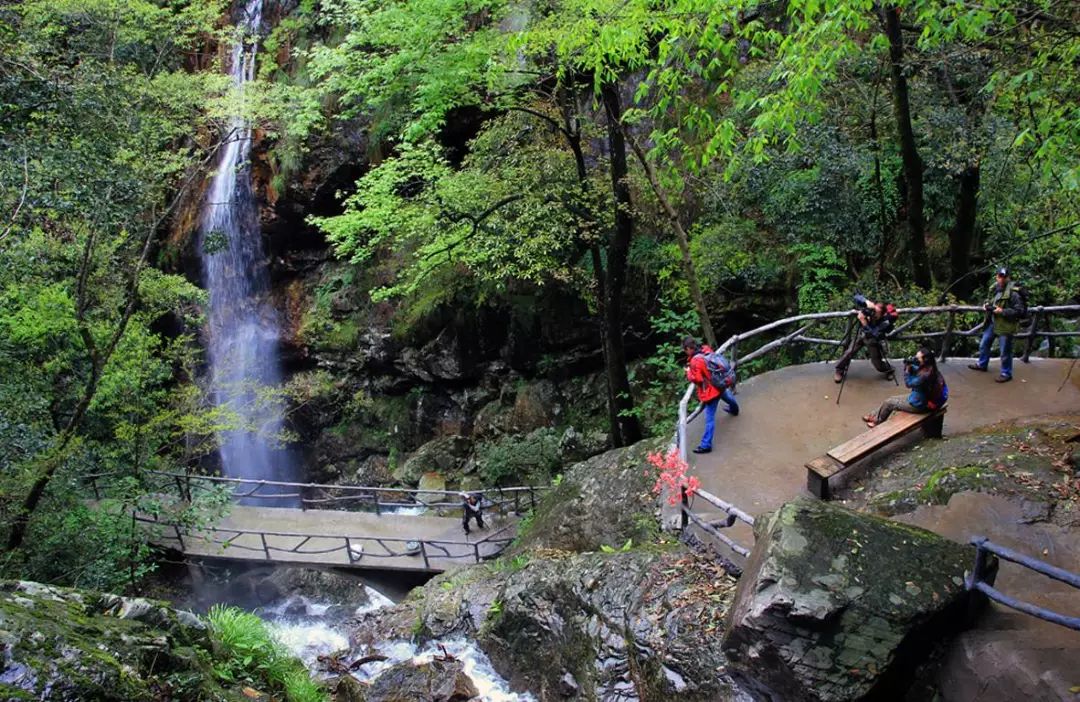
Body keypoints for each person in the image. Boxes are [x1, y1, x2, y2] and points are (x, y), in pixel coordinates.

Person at [863, 347, 947, 427]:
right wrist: (911, 365)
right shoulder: (930, 368)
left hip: (920, 405)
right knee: (891, 398)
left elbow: (908, 383)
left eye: (917, 358)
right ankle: (873, 415)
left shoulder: (924, 377)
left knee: (889, 403)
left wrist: (907, 370)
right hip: (922, 397)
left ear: (925, 360)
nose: (915, 359)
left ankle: (878, 421)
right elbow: (917, 369)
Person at [682, 336, 739, 455]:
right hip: (720, 384)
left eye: (685, 349)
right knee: (727, 397)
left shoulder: (695, 361)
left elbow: (697, 378)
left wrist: (688, 373)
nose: (685, 352)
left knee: (709, 419)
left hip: (711, 391)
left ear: (688, 348)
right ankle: (735, 409)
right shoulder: (705, 349)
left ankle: (706, 445)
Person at [969, 267, 1025, 383]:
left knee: (1005, 351)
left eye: (1004, 277)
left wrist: (1003, 311)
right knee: (984, 343)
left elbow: (1020, 311)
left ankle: (1006, 373)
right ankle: (982, 364)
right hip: (993, 322)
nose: (1002, 279)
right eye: (1000, 276)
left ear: (1008, 278)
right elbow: (990, 300)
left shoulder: (1014, 293)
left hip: (1006, 325)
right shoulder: (995, 288)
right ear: (997, 276)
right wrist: (986, 305)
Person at [834, 297, 896, 383]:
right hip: (861, 336)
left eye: (876, 313)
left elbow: (874, 333)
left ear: (882, 314)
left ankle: (889, 370)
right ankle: (839, 370)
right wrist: (866, 302)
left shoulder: (885, 321)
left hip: (872, 340)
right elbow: (856, 297)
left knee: (876, 362)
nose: (873, 314)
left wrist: (864, 322)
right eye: (873, 310)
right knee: (849, 352)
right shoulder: (870, 310)